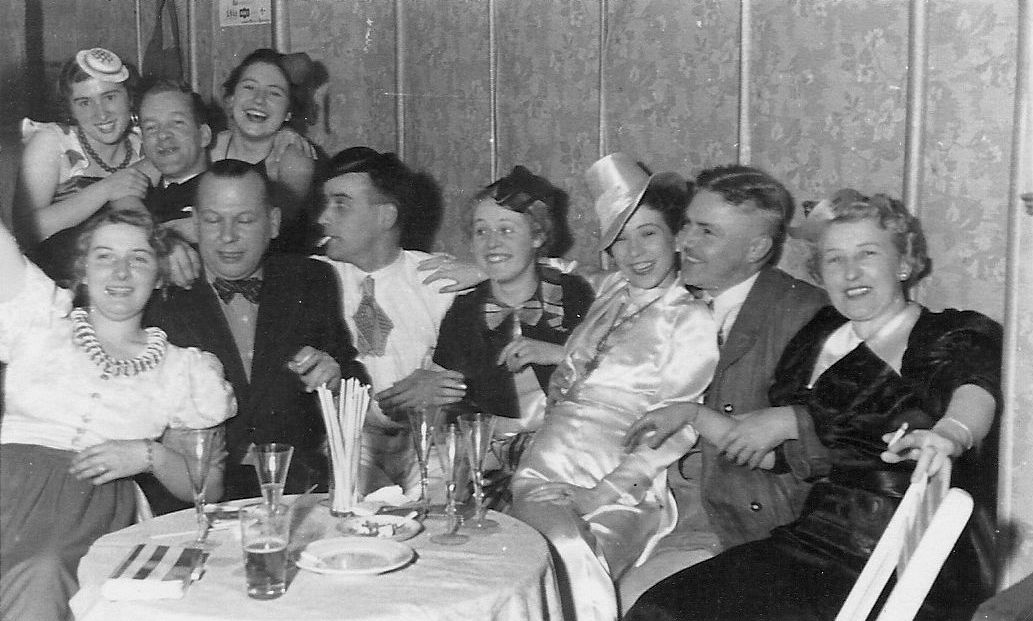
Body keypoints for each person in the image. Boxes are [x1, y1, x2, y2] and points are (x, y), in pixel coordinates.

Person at [624, 191, 1001, 621]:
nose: (851, 272)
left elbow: (974, 392)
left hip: (904, 553)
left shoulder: (945, 334)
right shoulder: (819, 337)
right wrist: (692, 415)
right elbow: (770, 453)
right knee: (661, 607)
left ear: (903, 263)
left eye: (868, 254)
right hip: (818, 536)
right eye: (834, 259)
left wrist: (951, 434)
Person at [511, 153, 747, 621]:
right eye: (619, 238)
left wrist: (599, 495)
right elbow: (551, 272)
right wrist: (482, 273)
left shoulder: (689, 318)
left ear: (676, 237)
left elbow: (677, 427)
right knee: (524, 557)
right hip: (544, 468)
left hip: (621, 486)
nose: (634, 252)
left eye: (648, 233)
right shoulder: (610, 293)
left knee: (567, 556)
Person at [0, 206, 235, 620]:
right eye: (105, 256)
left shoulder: (183, 369)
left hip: (89, 507)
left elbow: (207, 485)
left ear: (159, 275)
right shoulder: (40, 318)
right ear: (83, 270)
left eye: (138, 259)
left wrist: (148, 454)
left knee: (43, 573)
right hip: (9, 484)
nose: (121, 272)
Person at [144, 159, 366, 506]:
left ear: (273, 223)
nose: (228, 236)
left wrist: (335, 378)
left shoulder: (311, 280)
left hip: (297, 491)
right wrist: (154, 246)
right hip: (191, 496)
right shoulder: (160, 288)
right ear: (195, 224)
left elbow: (354, 377)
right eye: (213, 220)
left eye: (245, 220)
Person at [431, 166, 595, 509]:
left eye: (506, 230)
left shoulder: (574, 295)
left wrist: (559, 353)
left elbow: (616, 372)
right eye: (481, 231)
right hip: (490, 456)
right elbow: (450, 402)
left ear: (537, 237)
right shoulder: (464, 311)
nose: (492, 242)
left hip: (568, 452)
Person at [314, 147, 457, 497]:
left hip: (426, 436)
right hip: (353, 437)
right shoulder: (314, 278)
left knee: (436, 506)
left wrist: (486, 272)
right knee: (351, 496)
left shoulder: (436, 280)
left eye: (341, 205)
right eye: (325, 204)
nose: (323, 218)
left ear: (385, 216)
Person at [16, 47, 150, 286]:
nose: (101, 114)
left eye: (110, 97)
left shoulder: (144, 144)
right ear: (70, 109)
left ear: (130, 97)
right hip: (58, 284)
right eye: (84, 102)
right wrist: (106, 189)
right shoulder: (53, 143)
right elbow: (26, 231)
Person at [211, 48, 317, 252]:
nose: (259, 99)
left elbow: (271, 229)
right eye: (249, 87)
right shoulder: (208, 146)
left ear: (288, 112)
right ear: (230, 100)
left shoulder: (294, 159)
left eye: (274, 93)